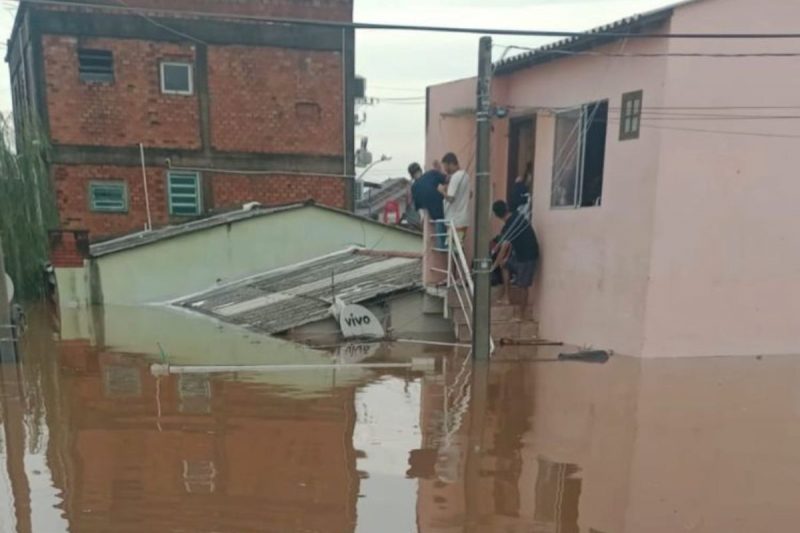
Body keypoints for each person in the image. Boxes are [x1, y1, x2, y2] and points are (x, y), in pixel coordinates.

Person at [491, 200, 539, 318]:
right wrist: (500, 257)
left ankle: (521, 315)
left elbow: (504, 248)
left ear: (496, 216)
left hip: (528, 257)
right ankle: (506, 297)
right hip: (519, 256)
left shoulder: (510, 226)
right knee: (505, 264)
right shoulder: (516, 217)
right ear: (507, 207)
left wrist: (494, 266)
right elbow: (509, 242)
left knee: (523, 286)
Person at [408, 161, 448, 248]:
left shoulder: (414, 187)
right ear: (420, 169)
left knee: (442, 245)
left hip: (437, 218)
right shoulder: (432, 174)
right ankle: (455, 245)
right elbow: (447, 179)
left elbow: (419, 207)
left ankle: (448, 246)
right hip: (449, 210)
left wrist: (422, 217)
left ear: (412, 175)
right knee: (454, 237)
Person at [440, 152, 471, 246]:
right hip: (463, 220)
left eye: (445, 166)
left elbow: (451, 198)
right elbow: (470, 194)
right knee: (457, 248)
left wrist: (441, 191)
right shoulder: (465, 175)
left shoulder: (455, 177)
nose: (444, 169)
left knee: (452, 248)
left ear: (450, 164)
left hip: (455, 222)